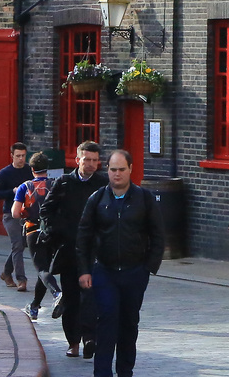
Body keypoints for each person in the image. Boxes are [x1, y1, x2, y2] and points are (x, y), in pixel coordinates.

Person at [77, 150, 164, 377]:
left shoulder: (144, 199)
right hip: (104, 271)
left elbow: (158, 234)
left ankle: (125, 371)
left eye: (121, 170)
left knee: (129, 324)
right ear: (107, 170)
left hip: (135, 271)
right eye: (113, 170)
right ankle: (102, 372)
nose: (117, 174)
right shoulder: (97, 199)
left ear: (130, 169)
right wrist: (85, 270)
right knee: (106, 320)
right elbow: (83, 237)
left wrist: (149, 267)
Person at [39, 140, 107, 358]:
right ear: (78, 160)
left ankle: (90, 338)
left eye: (95, 160)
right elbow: (46, 211)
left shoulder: (103, 184)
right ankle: (73, 342)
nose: (91, 164)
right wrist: (59, 232)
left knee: (91, 296)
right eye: (87, 160)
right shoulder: (64, 183)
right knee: (71, 297)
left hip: (94, 251)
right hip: (69, 249)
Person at [12, 152, 62, 320]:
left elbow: (15, 213)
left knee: (41, 269)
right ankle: (34, 306)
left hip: (33, 231)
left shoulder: (24, 187)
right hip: (53, 231)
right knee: (45, 269)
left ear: (31, 168)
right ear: (47, 168)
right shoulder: (55, 184)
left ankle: (57, 293)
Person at [0, 142, 33, 290]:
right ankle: (21, 279)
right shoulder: (5, 173)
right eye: (18, 156)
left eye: (23, 156)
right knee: (17, 245)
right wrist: (13, 191)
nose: (21, 159)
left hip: (26, 213)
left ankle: (6, 272)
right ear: (12, 156)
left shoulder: (29, 170)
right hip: (10, 214)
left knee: (20, 245)